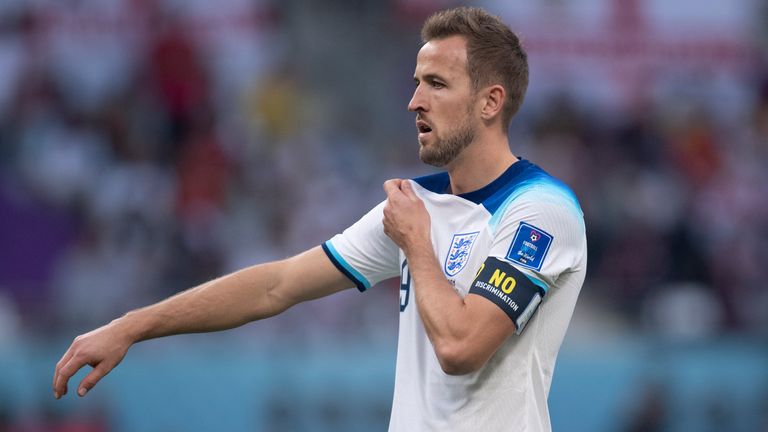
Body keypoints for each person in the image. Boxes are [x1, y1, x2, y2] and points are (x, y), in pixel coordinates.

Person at [53, 7, 586, 431]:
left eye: (437, 84)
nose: (413, 102)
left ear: (491, 102)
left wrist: (418, 247)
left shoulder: (539, 211)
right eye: (416, 82)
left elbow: (461, 348)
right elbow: (276, 286)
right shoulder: (415, 207)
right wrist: (133, 326)